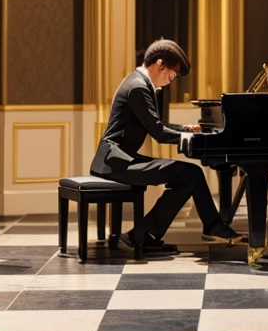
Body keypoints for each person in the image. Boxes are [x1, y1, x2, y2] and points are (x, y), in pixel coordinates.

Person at [90, 38, 240, 253]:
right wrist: (194, 138)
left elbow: (155, 124)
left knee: (189, 174)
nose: (171, 79)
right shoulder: (138, 88)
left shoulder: (138, 83)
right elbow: (158, 133)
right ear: (160, 64)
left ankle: (150, 233)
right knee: (190, 174)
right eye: (172, 74)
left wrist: (187, 130)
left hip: (119, 159)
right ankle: (141, 235)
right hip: (115, 164)